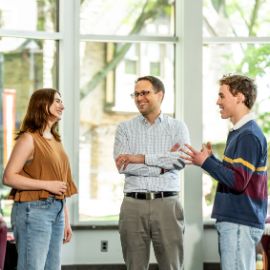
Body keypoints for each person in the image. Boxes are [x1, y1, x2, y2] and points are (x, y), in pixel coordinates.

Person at [180, 74, 268, 270]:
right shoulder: (240, 132)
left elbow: (238, 181)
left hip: (239, 222)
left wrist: (205, 163)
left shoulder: (248, 135)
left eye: (222, 96)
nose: (217, 101)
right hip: (237, 222)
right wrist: (209, 160)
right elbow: (237, 174)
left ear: (239, 97)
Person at [113, 75, 190, 270]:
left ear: (160, 95)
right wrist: (164, 163)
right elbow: (123, 166)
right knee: (134, 267)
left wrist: (140, 158)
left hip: (167, 205)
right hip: (133, 205)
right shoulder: (124, 128)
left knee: (171, 266)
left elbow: (180, 160)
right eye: (136, 94)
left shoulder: (177, 127)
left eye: (145, 93)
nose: (139, 98)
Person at [2, 88, 78, 270]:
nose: (62, 105)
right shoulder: (28, 139)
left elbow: (61, 184)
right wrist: (46, 185)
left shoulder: (56, 140)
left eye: (62, 101)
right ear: (43, 104)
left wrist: (65, 219)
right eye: (57, 101)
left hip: (56, 211)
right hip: (33, 211)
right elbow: (9, 177)